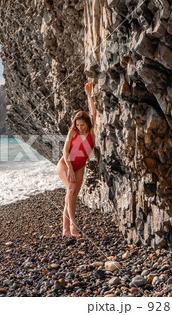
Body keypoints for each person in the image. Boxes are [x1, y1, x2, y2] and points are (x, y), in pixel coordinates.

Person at [56, 80, 96, 238]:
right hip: (65, 165)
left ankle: (65, 230)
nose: (80, 127)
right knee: (72, 191)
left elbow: (93, 113)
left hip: (80, 167)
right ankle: (73, 226)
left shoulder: (92, 133)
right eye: (78, 125)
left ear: (87, 123)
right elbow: (65, 151)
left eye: (82, 125)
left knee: (71, 194)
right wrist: (70, 169)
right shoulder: (73, 133)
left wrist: (89, 95)